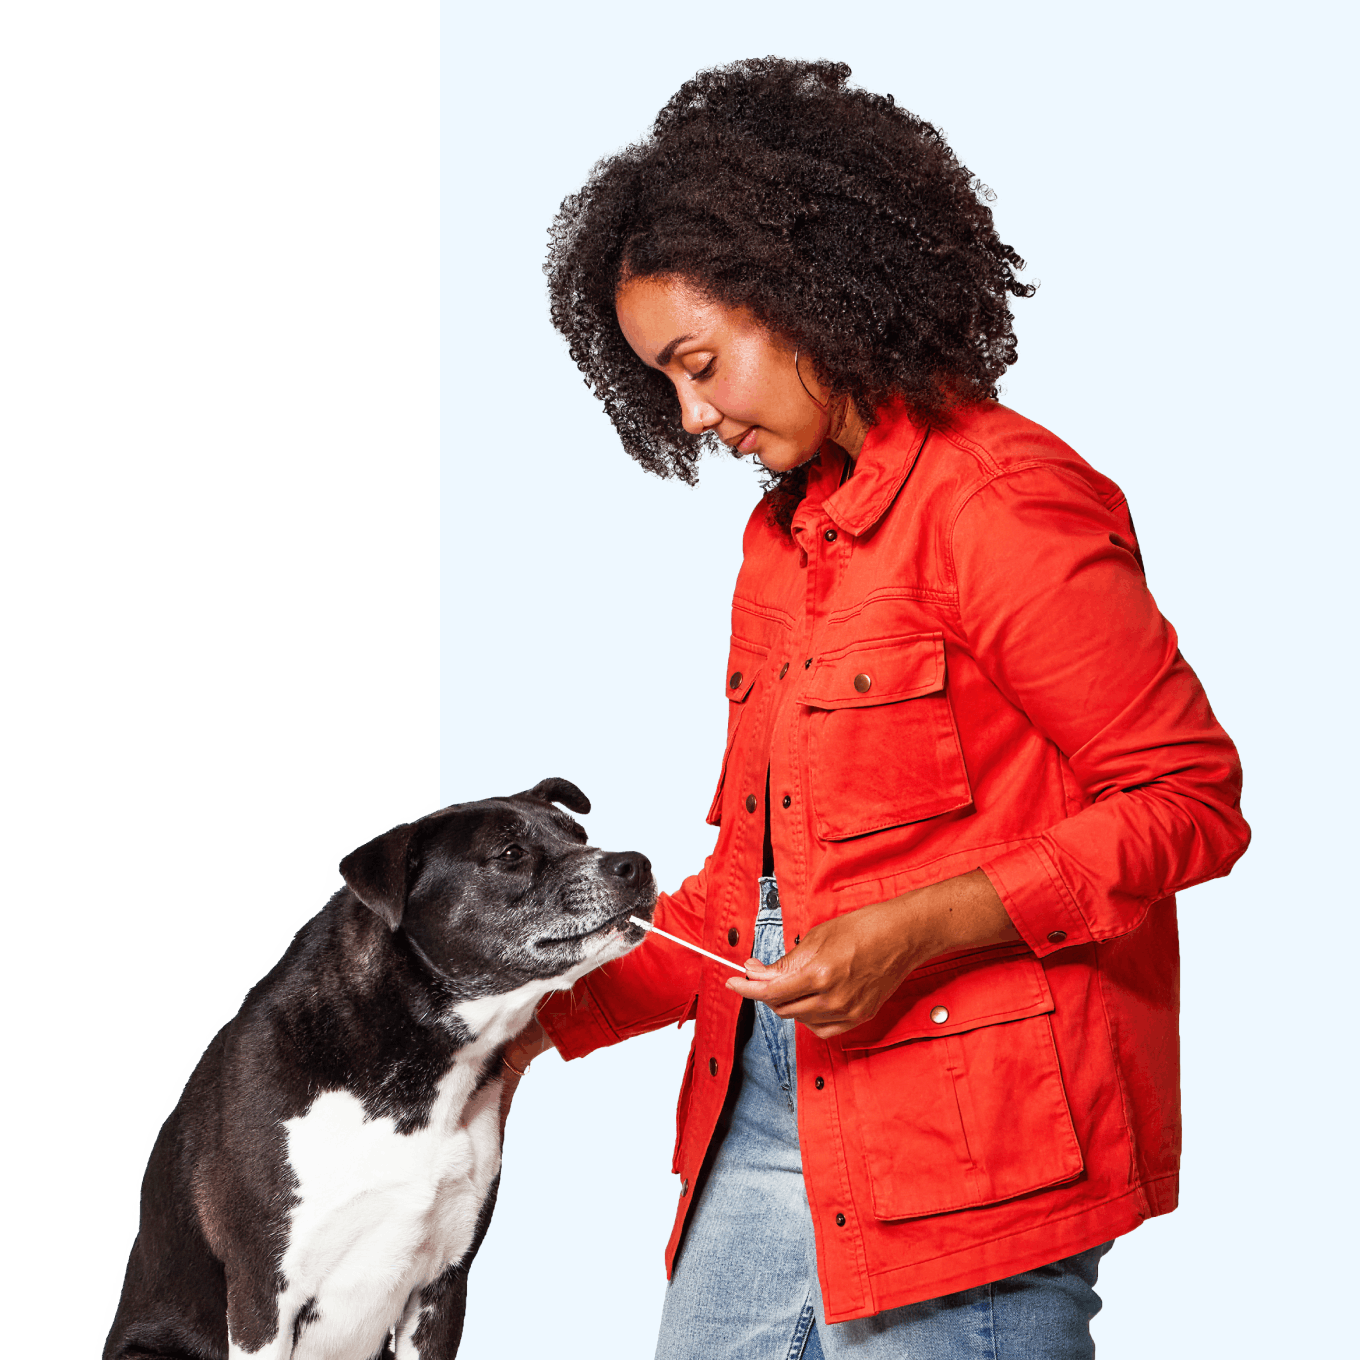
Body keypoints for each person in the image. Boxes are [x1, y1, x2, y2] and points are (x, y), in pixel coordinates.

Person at [503, 57, 1249, 1359]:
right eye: (661, 383)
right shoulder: (781, 548)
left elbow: (1190, 802)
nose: (692, 415)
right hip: (760, 1115)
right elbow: (751, 889)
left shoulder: (1000, 503)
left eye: (700, 363)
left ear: (800, 296)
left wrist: (920, 929)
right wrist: (516, 1018)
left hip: (977, 1148)